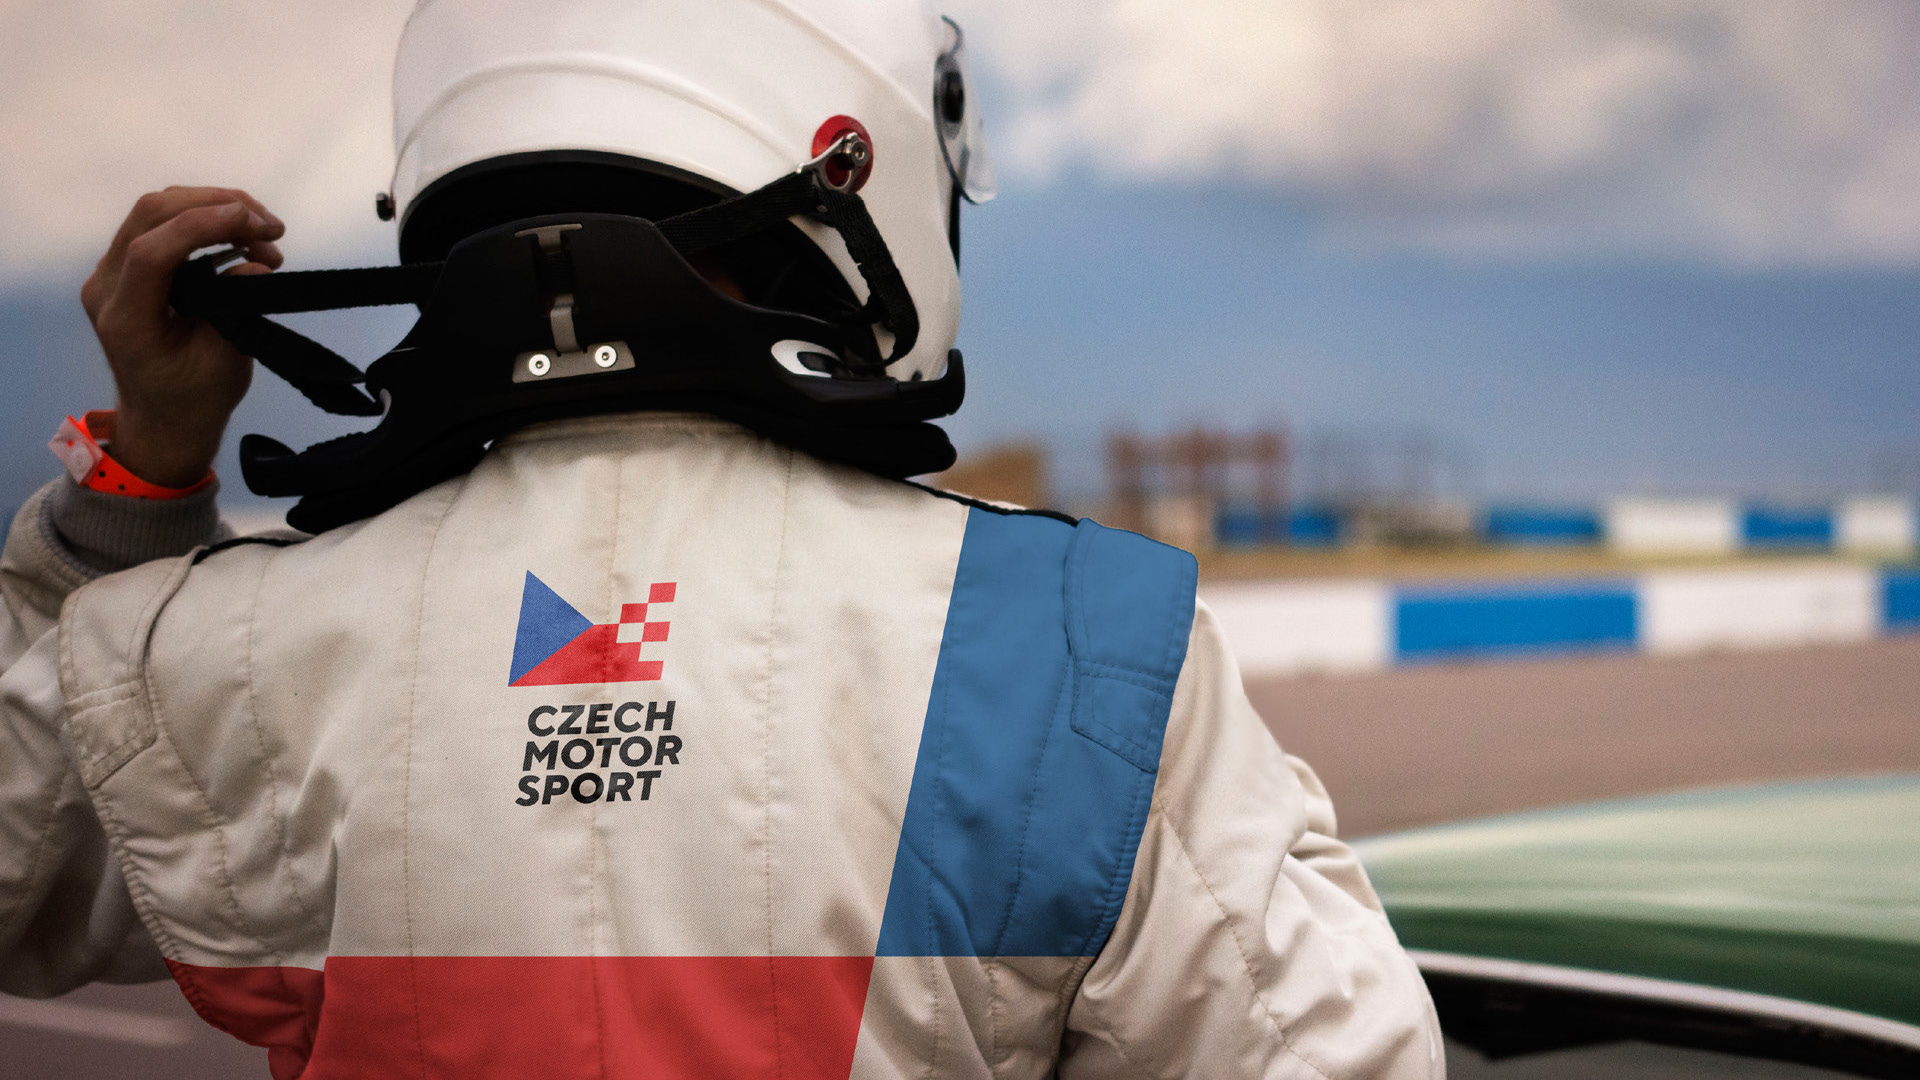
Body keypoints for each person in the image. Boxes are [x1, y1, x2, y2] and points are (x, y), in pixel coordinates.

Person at [0, 1, 1443, 1076]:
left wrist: (144, 477)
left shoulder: (202, 649)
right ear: (858, 163)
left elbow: (21, 892)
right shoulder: (1083, 644)